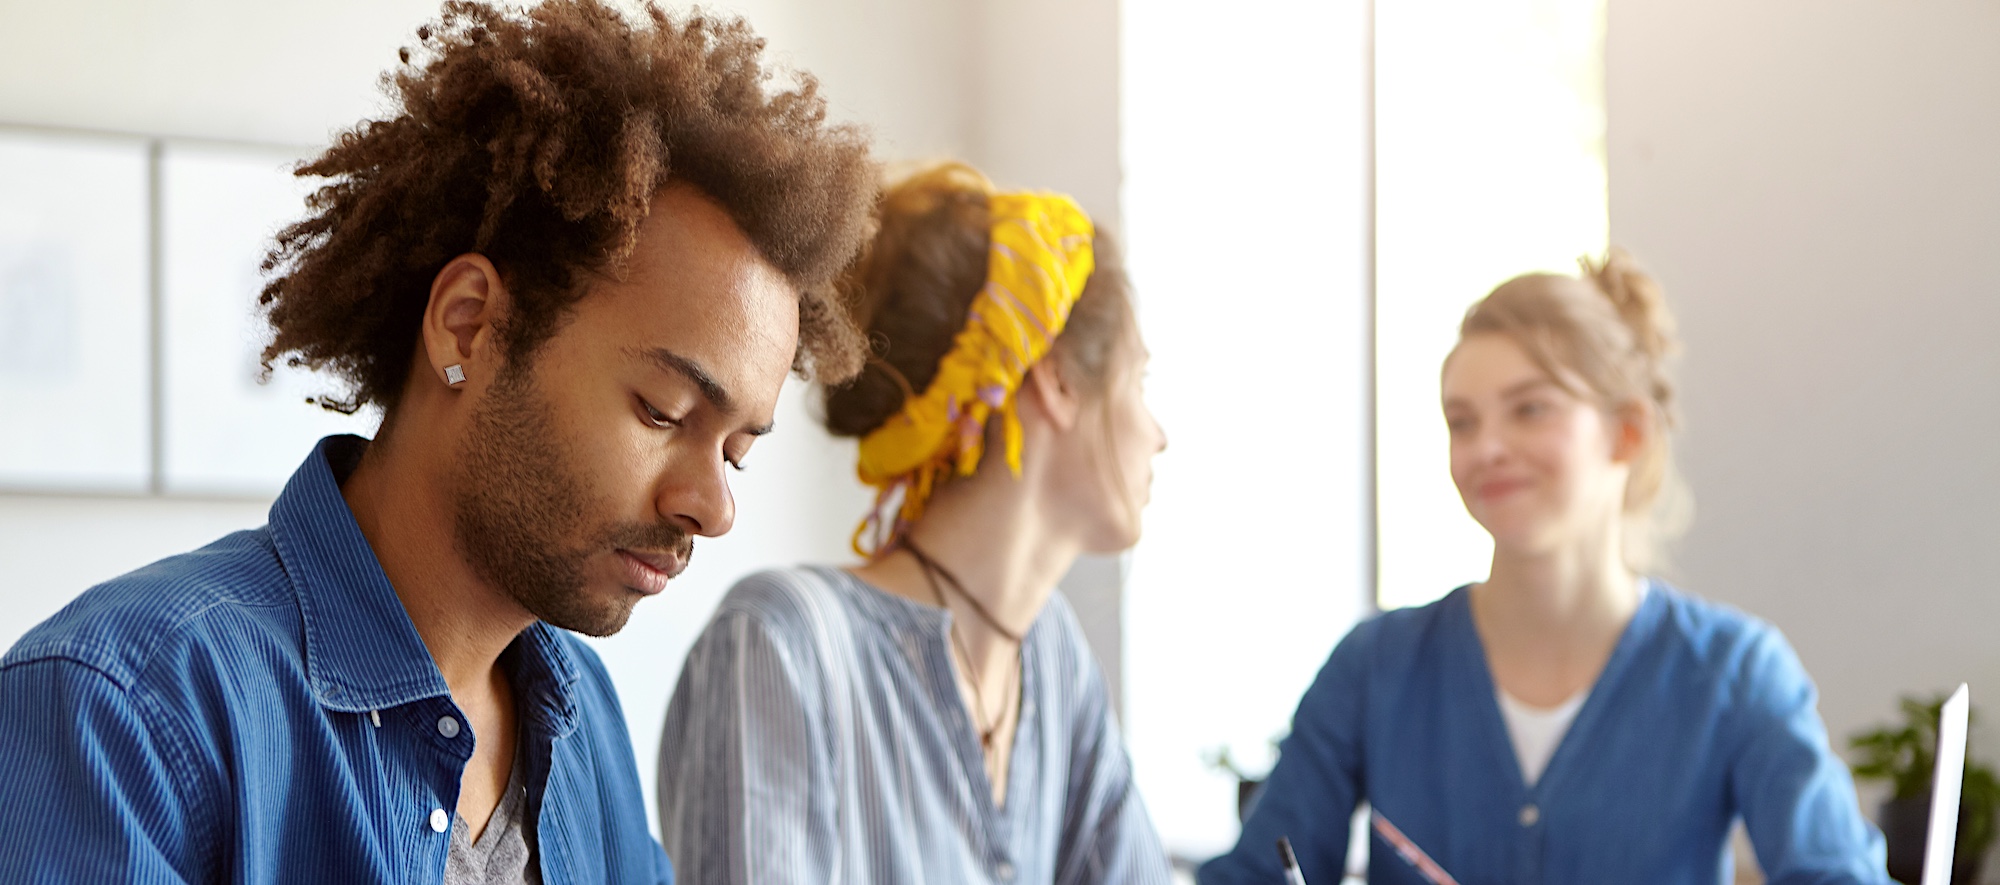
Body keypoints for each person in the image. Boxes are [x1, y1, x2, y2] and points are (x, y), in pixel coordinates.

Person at [0, 1, 877, 882]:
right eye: (661, 410)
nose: (713, 507)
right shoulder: (122, 709)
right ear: (468, 327)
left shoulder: (580, 719)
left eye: (736, 452)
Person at [1199, 252, 1889, 884]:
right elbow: (1257, 873)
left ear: (1627, 432)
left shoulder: (1735, 671)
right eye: (1461, 421)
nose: (1487, 447)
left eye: (1530, 409)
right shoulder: (1375, 667)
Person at [655, 162, 1174, 884]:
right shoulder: (777, 644)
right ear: (1054, 378)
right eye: (1139, 380)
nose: (1158, 433)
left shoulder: (1053, 659)